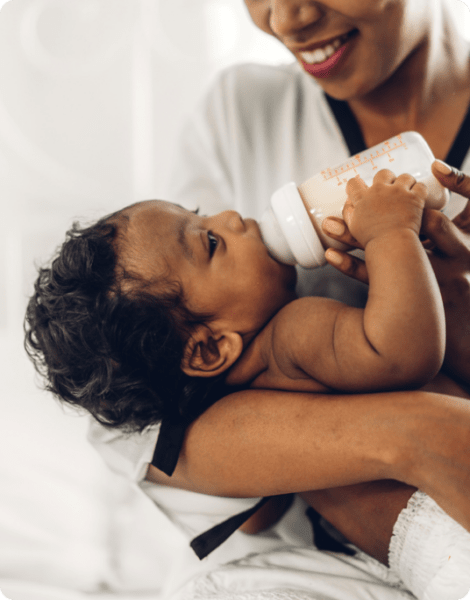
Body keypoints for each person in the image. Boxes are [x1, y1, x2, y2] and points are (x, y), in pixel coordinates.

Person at [26, 0, 470, 597]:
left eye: (203, 217)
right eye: (210, 238)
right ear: (211, 350)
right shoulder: (241, 114)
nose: (286, 17)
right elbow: (130, 411)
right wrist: (392, 240)